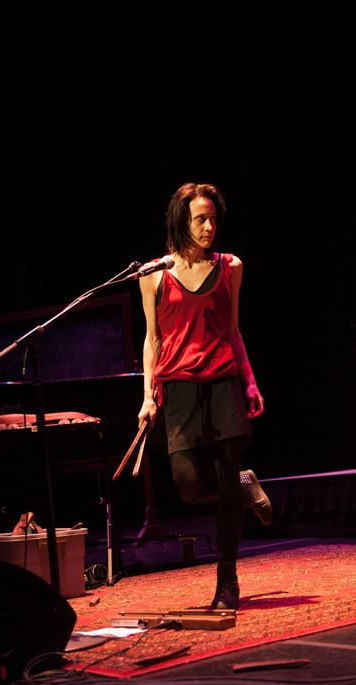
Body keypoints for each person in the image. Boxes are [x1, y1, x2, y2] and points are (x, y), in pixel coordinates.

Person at [138, 182, 271, 610]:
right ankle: (243, 486)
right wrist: (147, 396)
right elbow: (152, 339)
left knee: (225, 479)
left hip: (222, 382)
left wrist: (250, 382)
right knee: (188, 485)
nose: (209, 227)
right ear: (182, 220)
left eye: (213, 218)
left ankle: (227, 578)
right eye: (200, 219)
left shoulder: (230, 267)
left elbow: (233, 331)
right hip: (178, 388)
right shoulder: (153, 274)